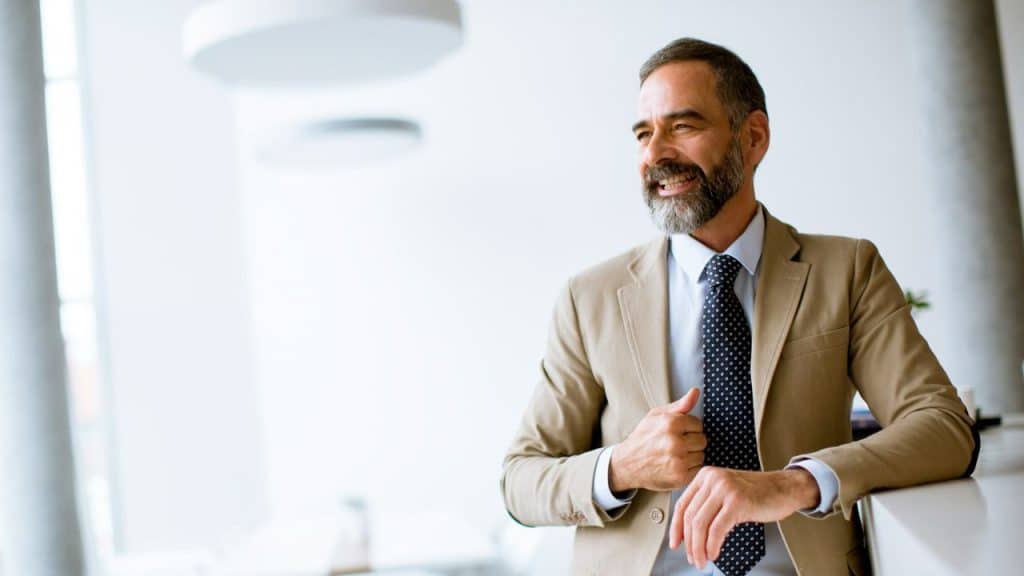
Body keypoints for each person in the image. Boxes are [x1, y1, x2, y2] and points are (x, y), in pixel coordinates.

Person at [500, 37, 978, 575]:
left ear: (753, 138)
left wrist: (795, 483)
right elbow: (520, 480)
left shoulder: (847, 270)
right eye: (643, 133)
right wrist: (620, 466)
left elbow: (944, 428)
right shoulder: (589, 299)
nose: (656, 154)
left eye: (682, 126)